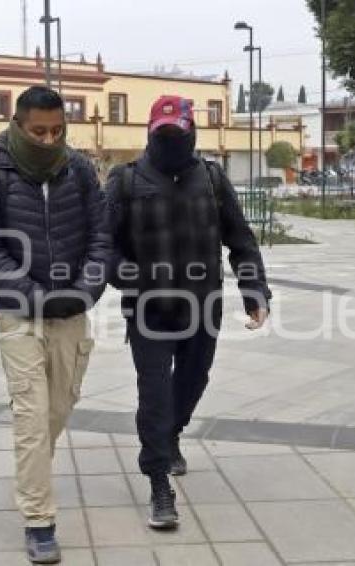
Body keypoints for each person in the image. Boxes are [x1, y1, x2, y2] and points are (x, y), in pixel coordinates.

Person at [106, 95, 271, 529]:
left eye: (178, 132)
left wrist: (254, 288)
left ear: (191, 132)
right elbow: (103, 243)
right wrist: (125, 274)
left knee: (193, 381)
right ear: (150, 133)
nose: (171, 139)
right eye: (163, 133)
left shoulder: (213, 180)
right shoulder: (125, 181)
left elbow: (241, 238)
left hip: (203, 307)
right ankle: (159, 482)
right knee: (155, 396)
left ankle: (172, 435)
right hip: (149, 311)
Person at [0, 85, 110, 564]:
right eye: (39, 131)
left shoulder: (81, 169)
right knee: (31, 414)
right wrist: (38, 297)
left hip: (72, 310)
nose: (49, 139)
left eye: (57, 130)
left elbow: (100, 238)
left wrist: (85, 289)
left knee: (60, 407)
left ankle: (32, 476)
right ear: (19, 124)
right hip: (18, 313)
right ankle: (39, 518)